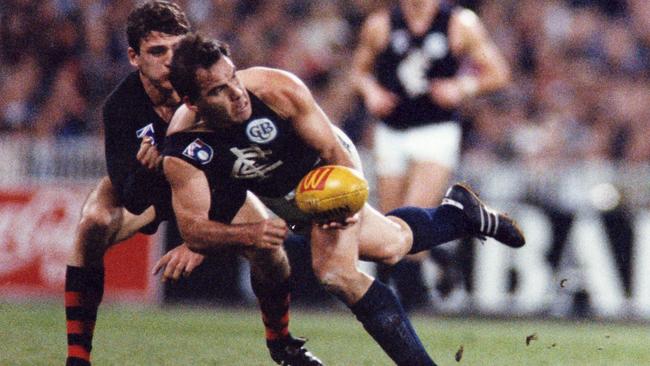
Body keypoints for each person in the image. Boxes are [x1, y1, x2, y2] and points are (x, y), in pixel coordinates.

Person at [163, 33, 524, 366]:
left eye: (234, 79)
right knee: (393, 246)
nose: (236, 93)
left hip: (326, 171)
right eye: (218, 91)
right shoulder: (183, 150)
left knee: (336, 273)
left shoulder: (277, 90)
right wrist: (249, 234)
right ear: (191, 102)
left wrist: (344, 201)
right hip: (278, 196)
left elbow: (335, 150)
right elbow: (192, 230)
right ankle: (460, 215)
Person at [64, 3, 321, 366]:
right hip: (148, 189)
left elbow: (233, 167)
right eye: (157, 51)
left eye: (176, 48)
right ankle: (77, 357)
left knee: (271, 253)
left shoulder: (210, 91)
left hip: (211, 186)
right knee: (92, 224)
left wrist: (196, 239)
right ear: (134, 57)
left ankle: (282, 345)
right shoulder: (120, 107)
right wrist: (147, 169)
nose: (169, 60)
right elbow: (130, 195)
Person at [350, 0, 511, 309]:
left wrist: (461, 87)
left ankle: (407, 305)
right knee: (390, 223)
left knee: (412, 215)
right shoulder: (381, 24)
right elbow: (358, 73)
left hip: (436, 130)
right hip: (392, 131)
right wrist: (371, 92)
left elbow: (498, 72)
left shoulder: (459, 23)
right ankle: (439, 256)